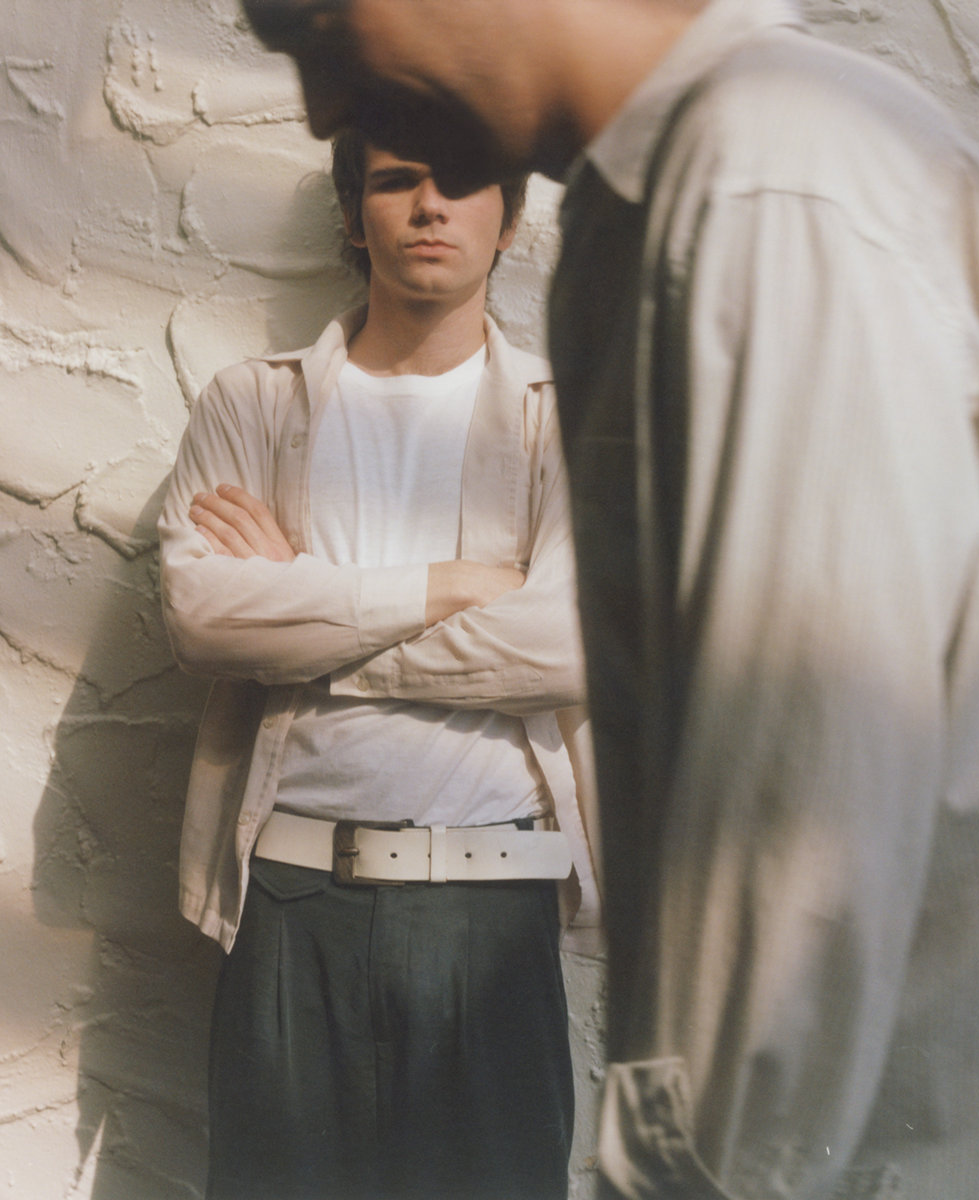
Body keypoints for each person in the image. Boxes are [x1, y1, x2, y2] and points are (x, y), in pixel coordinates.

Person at [241, 1, 979, 1197]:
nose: (322, 107)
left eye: (317, 27)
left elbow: (805, 821)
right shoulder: (655, 211)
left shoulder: (768, 189)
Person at [158, 125, 600, 1200]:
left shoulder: (569, 422)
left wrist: (305, 617)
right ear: (355, 216)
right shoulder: (251, 403)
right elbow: (204, 618)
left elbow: (574, 646)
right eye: (397, 181)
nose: (430, 205)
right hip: (290, 899)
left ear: (510, 216)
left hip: (494, 906)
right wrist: (451, 585)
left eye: (464, 182)